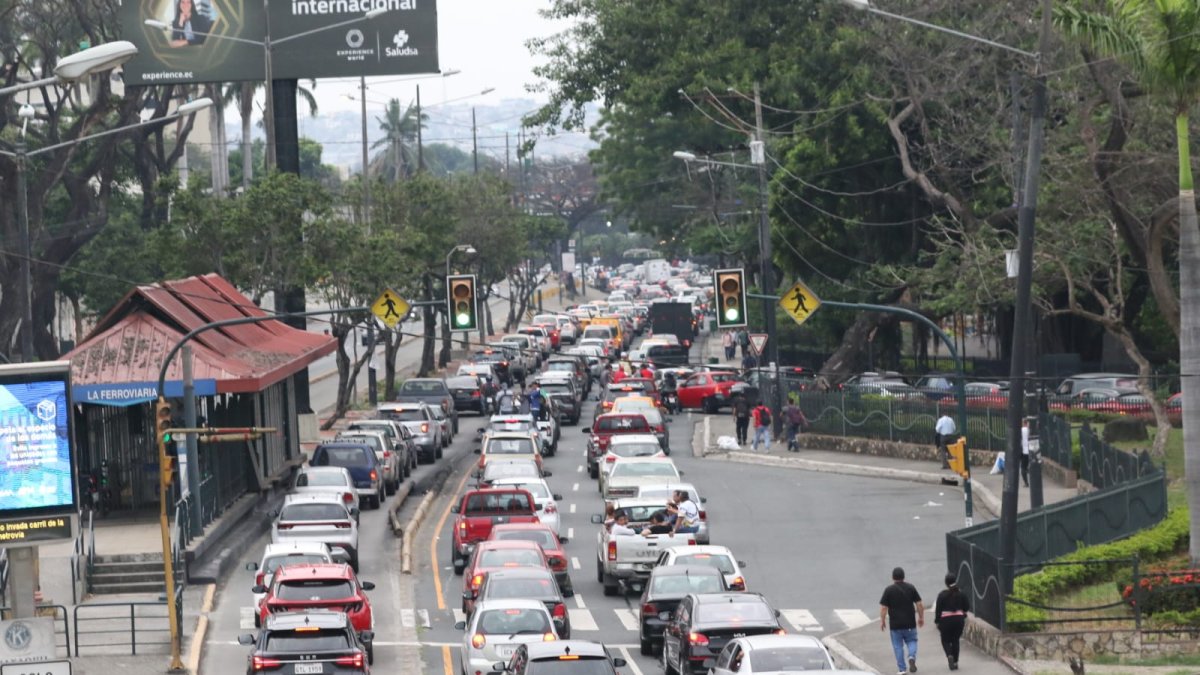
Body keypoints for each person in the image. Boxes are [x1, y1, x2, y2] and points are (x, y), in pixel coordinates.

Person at [880, 566, 924, 675]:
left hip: (895, 625)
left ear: (892, 577)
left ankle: (902, 669)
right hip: (910, 623)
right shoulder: (911, 588)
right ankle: (911, 656)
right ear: (904, 577)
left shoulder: (889, 590)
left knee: (898, 646)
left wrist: (882, 621)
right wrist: (921, 617)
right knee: (912, 641)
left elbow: (884, 608)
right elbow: (919, 604)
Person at [934, 572, 970, 671]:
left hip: (945, 620)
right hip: (959, 619)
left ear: (946, 583)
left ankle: (949, 654)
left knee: (945, 640)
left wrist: (937, 621)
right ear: (955, 581)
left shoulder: (941, 595)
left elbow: (938, 610)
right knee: (955, 640)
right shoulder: (961, 594)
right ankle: (955, 662)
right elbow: (966, 607)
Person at [1020, 417, 1031, 487]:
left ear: (1023, 423)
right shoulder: (1030, 430)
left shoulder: (1021, 430)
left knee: (1023, 468)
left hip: (1024, 451)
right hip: (1031, 451)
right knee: (1029, 466)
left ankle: (1026, 482)